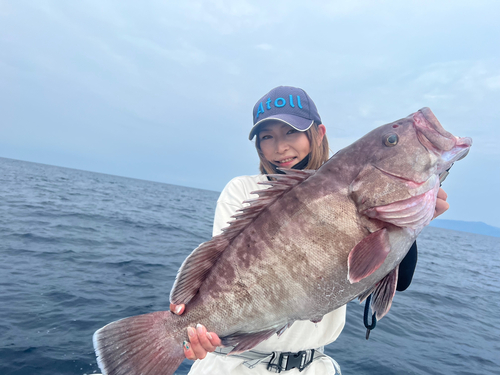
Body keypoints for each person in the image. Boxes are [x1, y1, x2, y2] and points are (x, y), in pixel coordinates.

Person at [170, 86, 450, 374]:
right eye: (267, 137)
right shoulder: (242, 190)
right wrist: (193, 334)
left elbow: (398, 279)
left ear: (318, 133)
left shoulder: (356, 193)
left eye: (291, 132)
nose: (280, 148)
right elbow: (219, 266)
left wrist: (411, 223)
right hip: (232, 366)